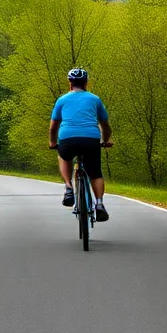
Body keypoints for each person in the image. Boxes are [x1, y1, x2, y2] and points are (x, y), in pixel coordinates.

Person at [48, 67, 113, 221]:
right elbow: (105, 125)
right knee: (95, 172)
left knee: (64, 156)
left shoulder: (62, 100)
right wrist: (105, 140)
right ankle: (99, 204)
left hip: (68, 139)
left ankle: (69, 187)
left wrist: (52, 142)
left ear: (70, 83)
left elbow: (53, 127)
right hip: (90, 140)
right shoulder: (94, 99)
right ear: (86, 83)